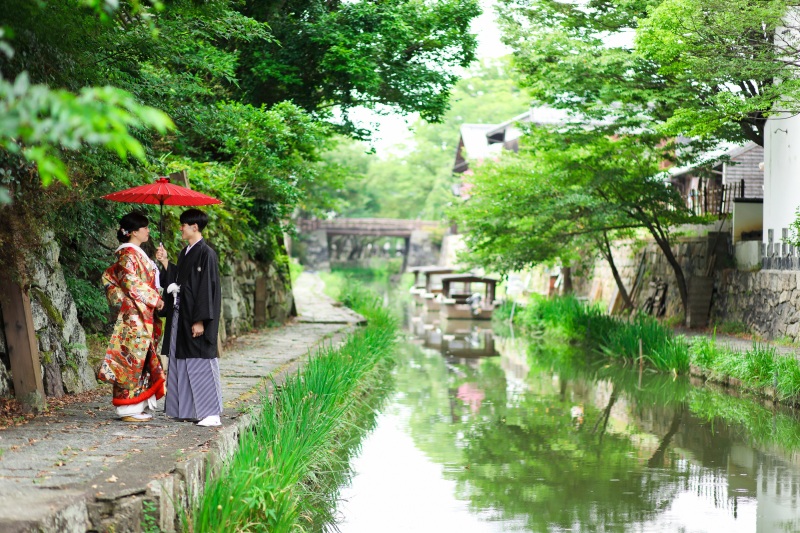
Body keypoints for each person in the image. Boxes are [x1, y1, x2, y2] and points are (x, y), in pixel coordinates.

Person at [156, 208, 223, 427]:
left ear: (195, 227)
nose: (180, 228)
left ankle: (211, 412)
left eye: (183, 225)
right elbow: (179, 278)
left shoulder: (207, 253)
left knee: (200, 361)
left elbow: (206, 289)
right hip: (180, 313)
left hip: (194, 316)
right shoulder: (185, 252)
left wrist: (200, 320)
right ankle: (186, 409)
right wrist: (166, 263)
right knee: (180, 360)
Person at [98, 213, 166, 422]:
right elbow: (130, 283)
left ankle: (137, 403)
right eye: (144, 228)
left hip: (141, 313)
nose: (148, 231)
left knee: (141, 359)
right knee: (132, 360)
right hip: (134, 315)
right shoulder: (127, 254)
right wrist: (155, 298)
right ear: (134, 232)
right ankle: (127, 407)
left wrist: (162, 261)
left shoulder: (137, 254)